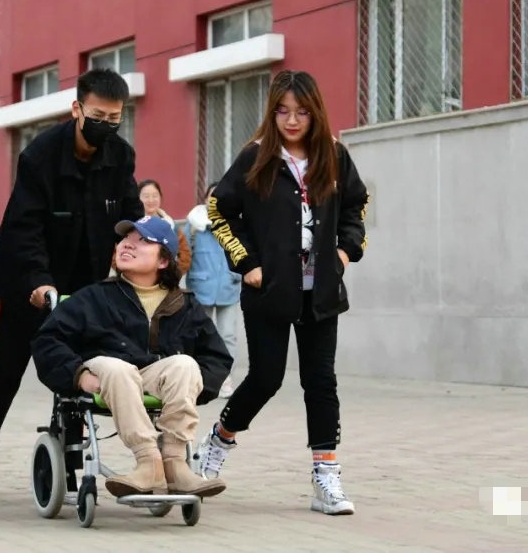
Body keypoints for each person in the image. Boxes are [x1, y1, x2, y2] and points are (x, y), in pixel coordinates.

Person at [195, 70, 368, 516]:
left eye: (302, 112)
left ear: (316, 112)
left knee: (320, 380)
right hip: (269, 289)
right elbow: (219, 210)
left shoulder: (334, 155)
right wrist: (246, 262)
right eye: (283, 111)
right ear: (272, 113)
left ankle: (326, 476)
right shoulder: (256, 157)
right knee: (266, 378)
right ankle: (217, 442)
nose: (292, 121)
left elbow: (356, 205)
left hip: (320, 291)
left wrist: (345, 253)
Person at [0, 68, 142, 496]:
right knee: (2, 371)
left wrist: (139, 257)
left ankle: (72, 454)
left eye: (114, 118)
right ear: (77, 109)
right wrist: (40, 283)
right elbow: (24, 230)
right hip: (20, 281)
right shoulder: (40, 156)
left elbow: (130, 218)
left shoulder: (121, 157)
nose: (106, 125)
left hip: (82, 286)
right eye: (97, 116)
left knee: (77, 370)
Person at [32, 215, 232, 498]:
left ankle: (175, 464)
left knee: (185, 364)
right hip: (105, 374)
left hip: (154, 377)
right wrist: (79, 375)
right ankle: (148, 460)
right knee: (117, 368)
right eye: (126, 238)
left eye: (142, 240)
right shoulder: (94, 297)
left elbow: (216, 357)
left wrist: (195, 388)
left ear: (163, 261)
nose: (127, 244)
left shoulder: (184, 305)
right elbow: (48, 340)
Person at [184, 182, 241, 398]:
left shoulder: (234, 225)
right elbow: (184, 255)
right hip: (201, 287)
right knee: (200, 335)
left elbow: (243, 253)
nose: (215, 200)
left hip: (229, 287)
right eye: (211, 196)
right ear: (205, 199)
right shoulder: (193, 225)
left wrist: (237, 275)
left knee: (228, 336)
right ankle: (201, 378)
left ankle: (225, 379)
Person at [136, 179, 192, 275]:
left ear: (160, 197)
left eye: (155, 196)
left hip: (166, 278)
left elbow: (184, 252)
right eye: (146, 196)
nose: (151, 200)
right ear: (138, 198)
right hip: (138, 276)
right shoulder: (133, 224)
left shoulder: (170, 224)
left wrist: (175, 273)